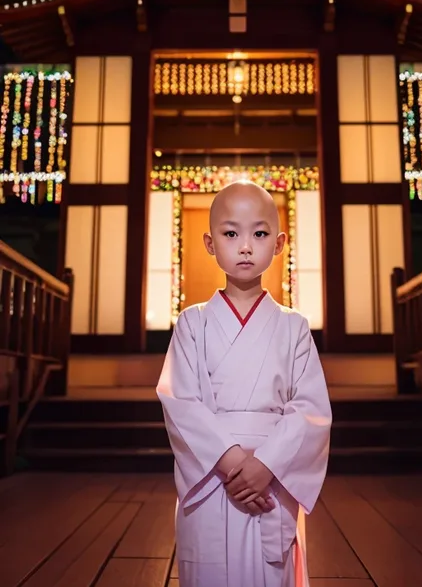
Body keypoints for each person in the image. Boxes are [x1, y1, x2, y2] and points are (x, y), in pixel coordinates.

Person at [157, 180, 332, 587]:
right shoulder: (192, 323)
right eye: (231, 233)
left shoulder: (294, 327)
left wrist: (265, 466)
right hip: (214, 473)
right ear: (209, 242)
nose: (246, 246)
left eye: (260, 233)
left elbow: (310, 410)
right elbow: (181, 403)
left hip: (271, 477)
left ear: (280, 242)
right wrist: (237, 466)